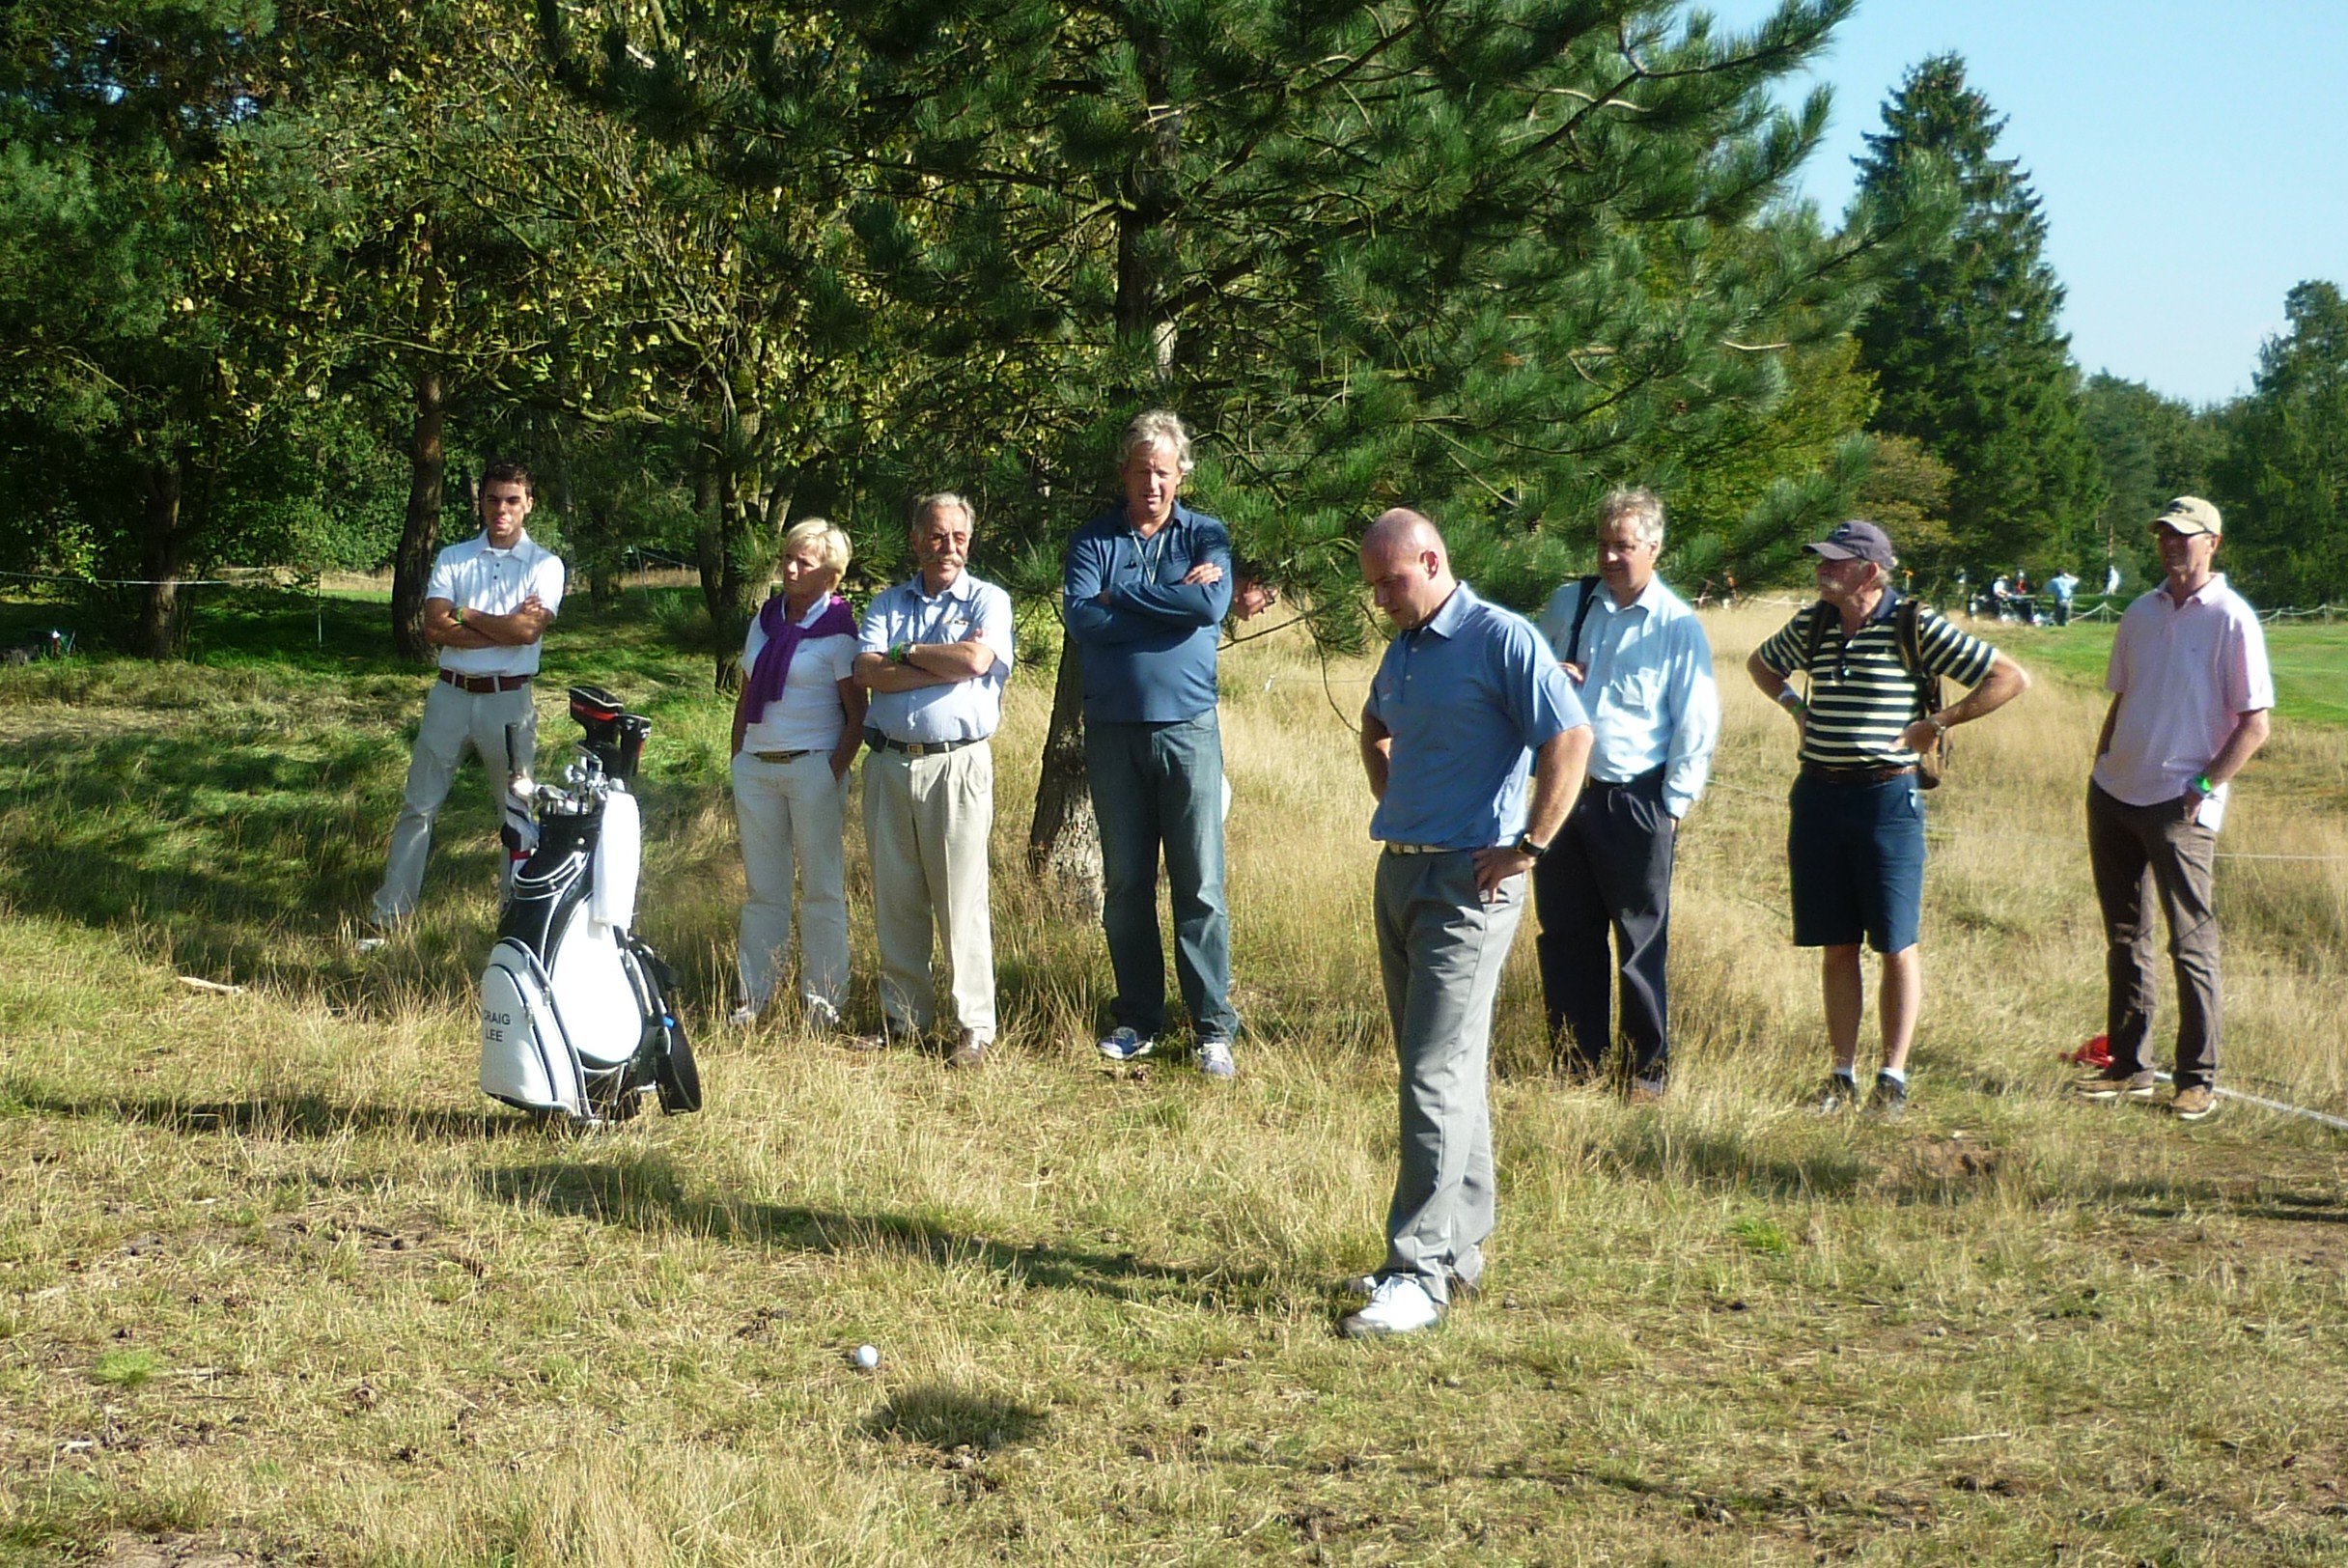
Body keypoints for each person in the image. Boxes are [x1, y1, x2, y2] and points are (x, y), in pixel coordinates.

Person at [1343, 509, 1591, 1338]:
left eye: (1392, 580)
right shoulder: (1404, 646)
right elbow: (1375, 726)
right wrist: (1402, 799)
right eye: (1372, 584)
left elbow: (1570, 735)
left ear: (1433, 559)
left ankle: (1416, 1274)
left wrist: (1530, 844)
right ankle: (1457, 1252)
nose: (1380, 597)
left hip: (1469, 883)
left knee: (1431, 1076)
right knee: (1447, 1069)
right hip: (1402, 870)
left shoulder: (1502, 638)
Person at [1746, 519, 2029, 1119]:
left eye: (1834, 563)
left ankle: (1892, 1078)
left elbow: (2009, 677)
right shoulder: (1813, 623)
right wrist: (1796, 706)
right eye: (1819, 561)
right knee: (1837, 943)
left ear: (1870, 572)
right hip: (1818, 798)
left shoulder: (1913, 625)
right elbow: (1762, 665)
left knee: (1896, 943)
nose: (1822, 570)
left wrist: (1940, 722)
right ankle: (1841, 1075)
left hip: (1886, 801)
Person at [2072, 498, 2273, 1121]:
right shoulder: (2138, 612)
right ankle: (2130, 1067)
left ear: (2214, 542)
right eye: (2163, 534)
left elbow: (2255, 725)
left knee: (2192, 943)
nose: (2170, 545)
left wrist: (2204, 788)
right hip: (2115, 795)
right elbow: (2123, 698)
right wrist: (2102, 764)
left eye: (2184, 536)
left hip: (2178, 806)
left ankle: (2197, 1079)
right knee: (2125, 937)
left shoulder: (2233, 619)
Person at [1064, 409, 1242, 1078]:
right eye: (1140, 471)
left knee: (1200, 884)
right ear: (1124, 473)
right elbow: (1083, 619)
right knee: (1127, 884)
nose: (1151, 484)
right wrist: (1164, 595)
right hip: (1114, 733)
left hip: (1189, 731)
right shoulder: (1093, 539)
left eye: (1162, 472)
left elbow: (1209, 608)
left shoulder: (1206, 534)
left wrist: (1125, 597)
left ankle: (1212, 1027)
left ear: (1180, 475)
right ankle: (1138, 1015)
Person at [1530, 488, 1719, 1101]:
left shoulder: (1675, 626)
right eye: (1604, 544)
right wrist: (1553, 673)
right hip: (1563, 794)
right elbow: (1530, 667)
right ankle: (1575, 1064)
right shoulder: (1571, 603)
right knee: (1565, 935)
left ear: (1655, 549)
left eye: (1625, 546)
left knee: (1639, 941)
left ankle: (1647, 1072)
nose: (1612, 557)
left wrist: (1671, 808)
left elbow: (1696, 722)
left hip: (1635, 801)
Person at [853, 493, 1015, 1069]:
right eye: (937, 536)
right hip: (889, 762)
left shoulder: (989, 599)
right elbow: (867, 671)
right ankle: (904, 1019)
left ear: (970, 541)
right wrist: (932, 662)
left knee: (960, 898)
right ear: (917, 539)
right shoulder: (886, 601)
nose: (948, 548)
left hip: (958, 764)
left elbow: (974, 661)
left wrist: (908, 654)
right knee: (896, 895)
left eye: (959, 538)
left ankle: (974, 1027)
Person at [368, 461, 564, 934]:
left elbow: (528, 630)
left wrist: (467, 614)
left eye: (512, 500)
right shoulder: (454, 557)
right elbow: (434, 627)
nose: (502, 509)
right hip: (450, 697)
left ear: (528, 505)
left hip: (509, 702)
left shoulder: (545, 565)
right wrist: (501, 628)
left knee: (516, 814)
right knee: (418, 806)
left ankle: (515, 923)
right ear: (481, 502)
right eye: (493, 498)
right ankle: (390, 915)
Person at [727, 518, 866, 1032]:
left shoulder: (840, 631)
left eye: (803, 562)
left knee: (822, 891)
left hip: (812, 767)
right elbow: (745, 695)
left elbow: (858, 713)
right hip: (757, 769)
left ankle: (823, 1005)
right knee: (764, 891)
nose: (789, 568)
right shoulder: (764, 620)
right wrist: (738, 756)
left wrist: (830, 773)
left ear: (830, 575)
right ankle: (754, 998)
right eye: (788, 557)